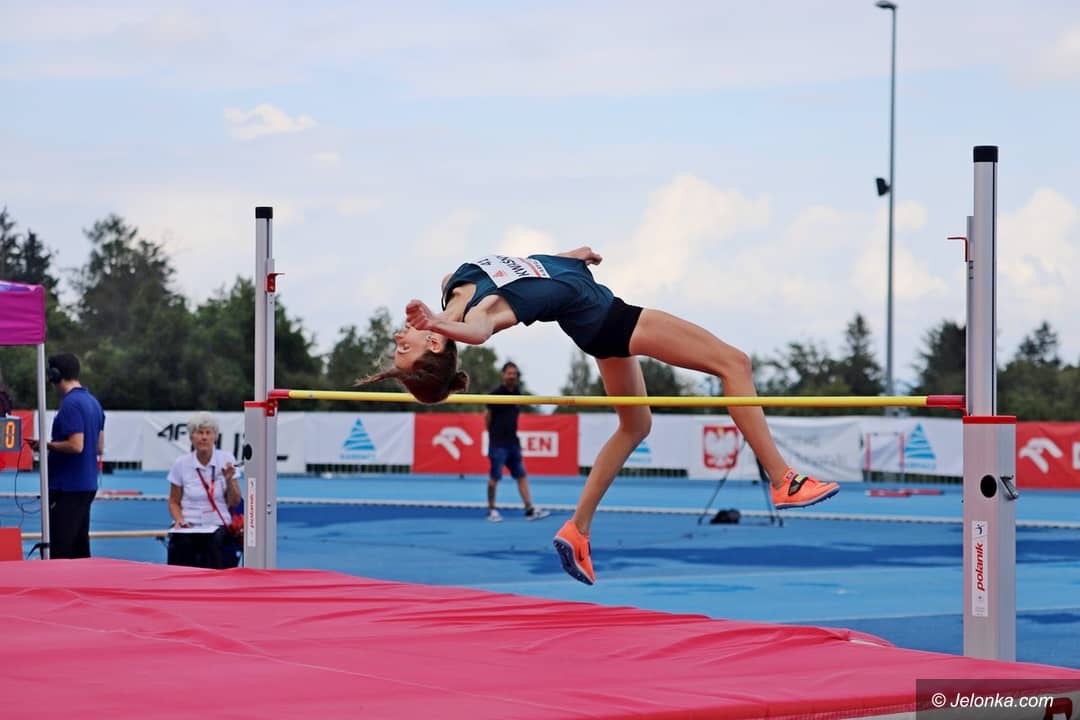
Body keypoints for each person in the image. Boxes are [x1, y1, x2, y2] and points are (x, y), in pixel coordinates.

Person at [361, 249, 840, 585]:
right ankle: (783, 479)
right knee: (734, 364)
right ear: (436, 342)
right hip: (608, 319)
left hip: (593, 320)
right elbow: (480, 332)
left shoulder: (454, 285)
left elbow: (527, 271)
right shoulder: (479, 314)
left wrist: (572, 258)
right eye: (405, 348)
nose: (400, 338)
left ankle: (578, 530)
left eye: (399, 346)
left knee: (636, 425)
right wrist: (440, 323)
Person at [27, 353, 105, 559]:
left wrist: (46, 445)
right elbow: (99, 446)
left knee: (60, 549)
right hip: (86, 484)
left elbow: (76, 445)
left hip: (67, 487)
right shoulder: (93, 402)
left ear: (54, 375)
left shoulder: (71, 404)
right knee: (79, 548)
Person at [166, 412, 243, 569]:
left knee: (214, 543)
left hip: (218, 523)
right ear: (191, 437)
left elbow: (235, 501)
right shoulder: (181, 463)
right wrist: (179, 520)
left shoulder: (226, 459)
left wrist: (229, 480)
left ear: (215, 437)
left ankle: (215, 582)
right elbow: (173, 501)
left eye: (208, 433)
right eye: (199, 433)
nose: (204, 437)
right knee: (182, 543)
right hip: (189, 523)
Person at [484, 361, 550, 522]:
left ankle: (529, 509)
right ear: (503, 375)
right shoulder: (495, 394)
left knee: (521, 475)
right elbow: (487, 417)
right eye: (509, 373)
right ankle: (492, 510)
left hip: (513, 442)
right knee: (495, 477)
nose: (512, 376)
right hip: (498, 443)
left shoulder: (518, 393)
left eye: (514, 373)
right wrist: (493, 435)